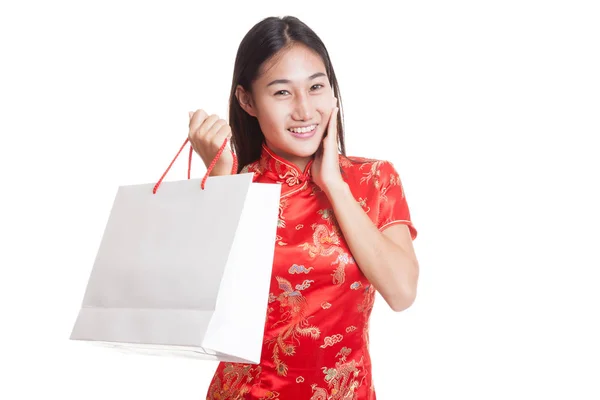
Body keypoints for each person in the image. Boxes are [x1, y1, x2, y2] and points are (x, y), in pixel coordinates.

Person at [188, 15, 419, 400]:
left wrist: (334, 185)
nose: (304, 110)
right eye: (281, 93)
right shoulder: (235, 186)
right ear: (247, 101)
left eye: (316, 87)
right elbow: (205, 312)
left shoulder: (375, 179)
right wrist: (223, 180)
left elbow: (401, 292)